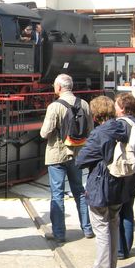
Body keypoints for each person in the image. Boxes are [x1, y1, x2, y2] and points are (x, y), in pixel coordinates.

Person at [76, 96, 126, 268]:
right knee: (113, 221)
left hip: (100, 182)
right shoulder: (122, 128)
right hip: (118, 182)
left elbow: (81, 160)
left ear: (96, 114)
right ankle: (111, 264)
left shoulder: (99, 133)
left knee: (101, 225)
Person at [40, 73, 94, 242]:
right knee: (79, 191)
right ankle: (87, 229)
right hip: (77, 154)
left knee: (57, 194)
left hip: (57, 154)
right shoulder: (84, 104)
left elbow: (44, 133)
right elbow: (90, 130)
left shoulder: (54, 107)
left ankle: (59, 233)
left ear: (59, 88)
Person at [113, 93, 135, 259]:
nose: (114, 107)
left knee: (119, 211)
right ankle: (126, 246)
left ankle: (120, 249)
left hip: (124, 172)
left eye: (116, 104)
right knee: (128, 209)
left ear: (122, 108)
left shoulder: (120, 124)